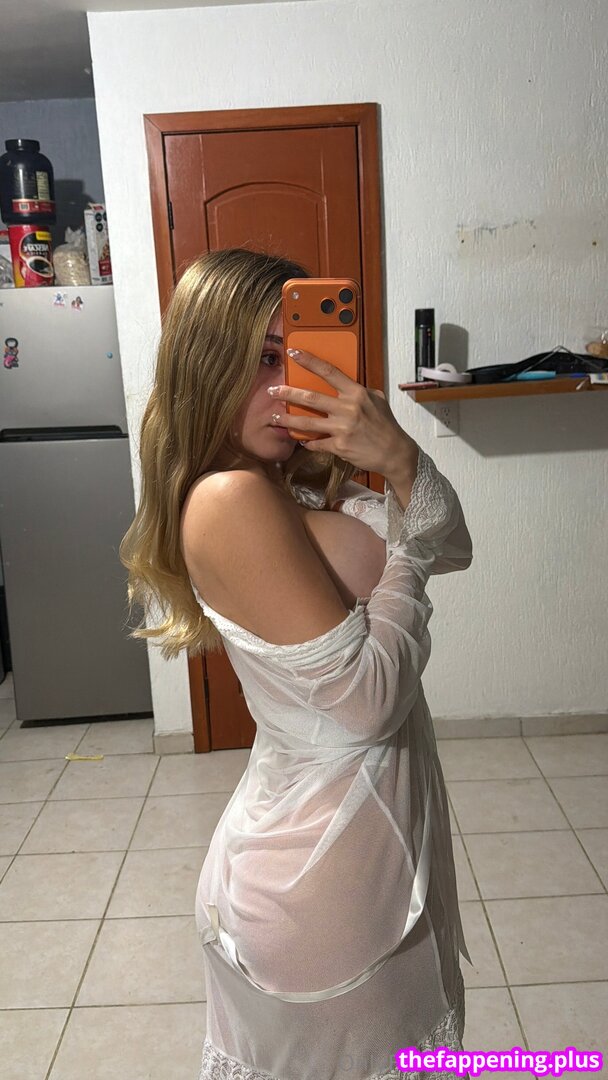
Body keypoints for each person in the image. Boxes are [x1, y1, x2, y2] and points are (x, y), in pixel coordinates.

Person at [120, 248, 474, 1080]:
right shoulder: (229, 498)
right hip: (321, 883)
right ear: (208, 364)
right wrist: (408, 554)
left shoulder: (294, 483)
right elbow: (366, 700)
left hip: (356, 845)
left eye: (300, 354)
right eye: (262, 358)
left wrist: (401, 459)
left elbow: (453, 543)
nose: (287, 385)